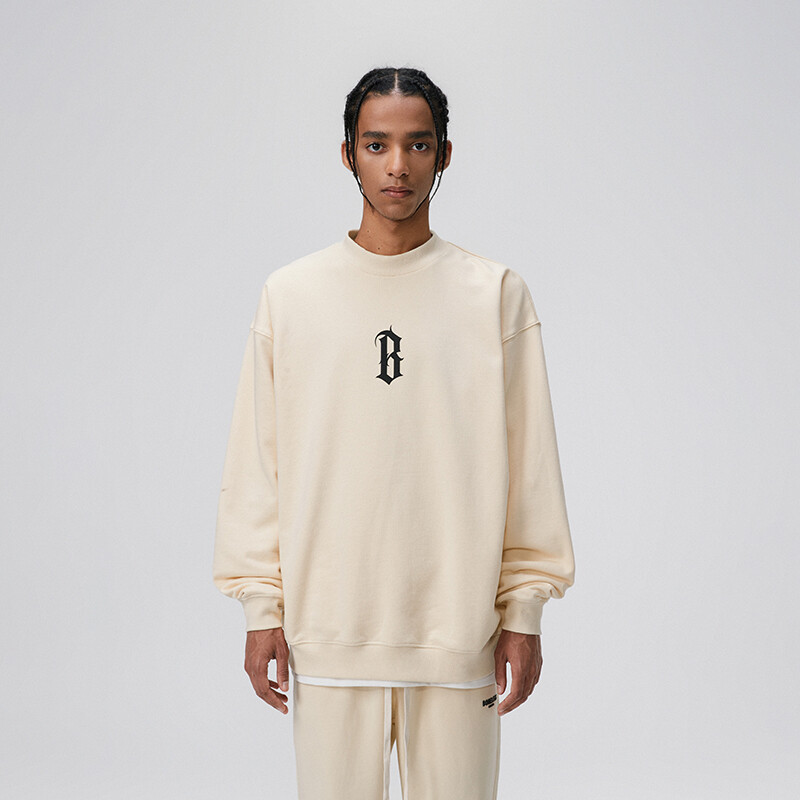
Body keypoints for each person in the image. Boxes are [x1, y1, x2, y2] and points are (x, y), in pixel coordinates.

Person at [212, 66, 576, 800]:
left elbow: (530, 467)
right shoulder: (292, 295)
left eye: (418, 144)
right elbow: (259, 464)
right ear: (348, 153)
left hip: (460, 636)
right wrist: (261, 607)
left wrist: (524, 611)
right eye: (377, 144)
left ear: (445, 154)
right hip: (329, 632)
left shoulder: (495, 295)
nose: (398, 166)